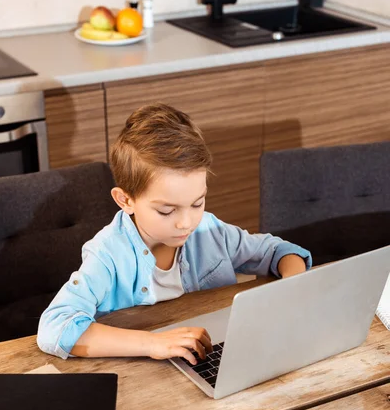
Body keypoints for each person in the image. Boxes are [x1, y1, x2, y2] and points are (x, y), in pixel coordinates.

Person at [37, 103, 312, 363]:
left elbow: (278, 251)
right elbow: (54, 328)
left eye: (197, 203)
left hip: (214, 354)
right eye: (167, 211)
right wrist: (153, 343)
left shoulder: (209, 229)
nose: (186, 222)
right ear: (125, 200)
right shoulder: (108, 254)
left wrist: (292, 289)